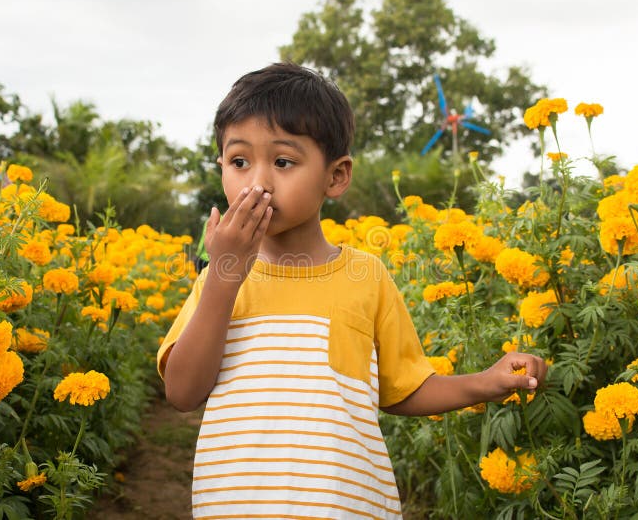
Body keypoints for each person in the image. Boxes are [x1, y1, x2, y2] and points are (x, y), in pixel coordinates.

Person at [157, 62, 547, 519]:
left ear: (336, 176)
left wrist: (485, 382)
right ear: (221, 167)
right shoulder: (216, 281)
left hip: (344, 507)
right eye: (239, 161)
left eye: (283, 162)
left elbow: (401, 389)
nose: (257, 182)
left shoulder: (367, 276)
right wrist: (224, 279)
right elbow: (182, 392)